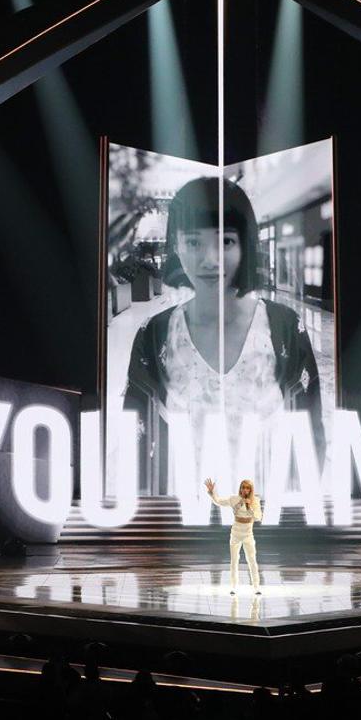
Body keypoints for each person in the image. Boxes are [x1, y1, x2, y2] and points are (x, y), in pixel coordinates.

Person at [123, 177, 326, 492]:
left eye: (226, 242)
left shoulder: (284, 327)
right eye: (194, 243)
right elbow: (134, 436)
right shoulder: (155, 334)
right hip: (183, 506)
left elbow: (310, 429)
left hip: (265, 507)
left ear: (246, 244)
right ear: (176, 246)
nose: (210, 260)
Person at [206, 477, 263, 594]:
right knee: (234, 560)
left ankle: (256, 587)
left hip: (248, 534)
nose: (245, 490)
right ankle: (234, 587)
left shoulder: (255, 500)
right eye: (243, 487)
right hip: (236, 533)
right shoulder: (234, 499)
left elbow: (258, 517)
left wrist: (250, 507)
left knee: (252, 560)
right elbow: (219, 501)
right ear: (240, 489)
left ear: (251, 489)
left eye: (247, 488)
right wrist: (212, 492)